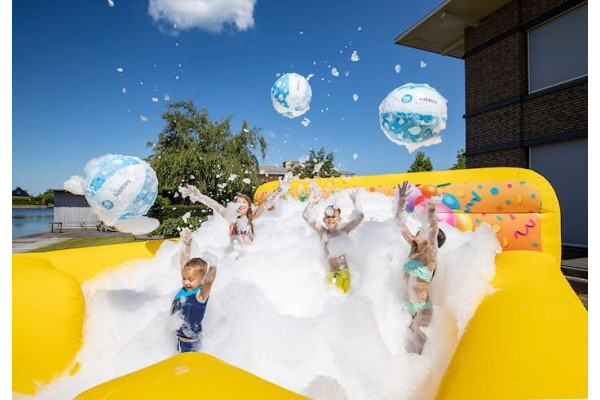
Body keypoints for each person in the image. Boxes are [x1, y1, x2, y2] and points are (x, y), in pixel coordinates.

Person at [396, 181, 446, 354]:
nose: (418, 232)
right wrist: (401, 200)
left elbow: (432, 232)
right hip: (409, 306)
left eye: (421, 232)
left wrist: (432, 208)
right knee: (404, 346)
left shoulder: (430, 258)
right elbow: (400, 224)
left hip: (422, 310)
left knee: (418, 351)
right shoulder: (414, 247)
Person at [179, 174, 292, 246]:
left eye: (244, 202)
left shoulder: (253, 217)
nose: (241, 205)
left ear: (248, 206)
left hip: (251, 256)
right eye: (238, 203)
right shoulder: (230, 217)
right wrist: (198, 195)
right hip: (234, 259)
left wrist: (279, 190)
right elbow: (214, 205)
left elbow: (266, 203)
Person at [303, 186, 364, 293]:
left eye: (334, 217)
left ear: (339, 219)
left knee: (346, 300)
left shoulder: (344, 231)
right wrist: (313, 201)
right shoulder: (322, 233)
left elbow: (360, 217)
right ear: (324, 220)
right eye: (328, 217)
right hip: (331, 274)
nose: (331, 219)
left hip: (344, 273)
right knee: (332, 300)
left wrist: (355, 200)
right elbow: (306, 216)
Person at [170, 228, 217, 353]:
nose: (186, 282)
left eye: (190, 280)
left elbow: (209, 282)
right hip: (179, 341)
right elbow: (184, 265)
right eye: (184, 278)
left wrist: (213, 266)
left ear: (202, 280)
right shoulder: (185, 289)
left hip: (191, 345)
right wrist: (186, 245)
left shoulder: (200, 295)